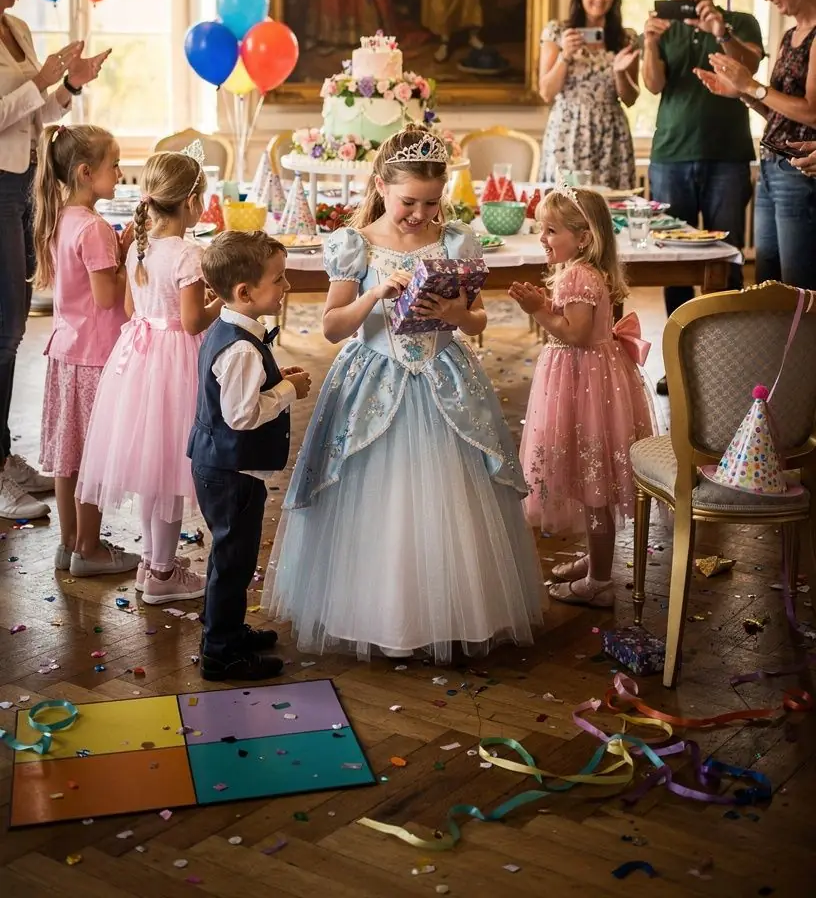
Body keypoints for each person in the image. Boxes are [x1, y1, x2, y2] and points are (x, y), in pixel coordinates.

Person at [263, 126, 544, 662]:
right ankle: (375, 614)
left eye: (431, 202)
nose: (419, 214)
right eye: (408, 202)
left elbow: (477, 317)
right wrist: (373, 294)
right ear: (381, 187)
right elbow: (331, 327)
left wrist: (456, 314)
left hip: (443, 377)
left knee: (447, 500)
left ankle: (450, 611)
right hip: (374, 378)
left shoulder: (456, 241)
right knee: (379, 498)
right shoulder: (357, 244)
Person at [77, 151, 222, 604]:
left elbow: (128, 310)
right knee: (171, 471)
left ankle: (151, 563)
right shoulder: (187, 254)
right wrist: (225, 304)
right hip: (175, 360)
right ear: (194, 202)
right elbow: (195, 322)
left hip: (139, 359)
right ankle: (162, 572)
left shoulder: (142, 245)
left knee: (151, 467)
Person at [0, 0, 110, 521]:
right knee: (3, 328)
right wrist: (42, 78)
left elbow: (34, 114)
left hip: (20, 179)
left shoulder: (15, 31)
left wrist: (69, 85)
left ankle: (4, 457)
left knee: (12, 328)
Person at [511, 187, 655, 609]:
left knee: (594, 481)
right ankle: (597, 559)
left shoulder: (577, 275)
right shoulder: (585, 271)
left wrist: (538, 308)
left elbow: (573, 332)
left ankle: (599, 581)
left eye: (551, 230)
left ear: (584, 237)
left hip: (583, 382)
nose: (542, 238)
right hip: (591, 378)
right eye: (541, 229)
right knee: (590, 475)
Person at [189, 231, 312, 683]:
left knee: (231, 559)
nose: (286, 287)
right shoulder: (240, 347)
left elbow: (239, 396)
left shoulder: (230, 331)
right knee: (233, 561)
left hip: (221, 467)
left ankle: (226, 630)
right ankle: (221, 653)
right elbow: (242, 416)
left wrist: (277, 380)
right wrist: (286, 390)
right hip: (230, 472)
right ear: (245, 292)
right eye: (279, 279)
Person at [33, 123, 139, 577]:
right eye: (113, 166)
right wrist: (130, 259)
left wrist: (120, 245)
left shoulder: (62, 217)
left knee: (69, 457)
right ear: (84, 172)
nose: (119, 173)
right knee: (93, 455)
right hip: (96, 358)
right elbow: (106, 296)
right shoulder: (94, 227)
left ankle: (70, 543)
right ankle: (91, 549)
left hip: (66, 352)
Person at [643, 0, 763, 327]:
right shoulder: (665, 28)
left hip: (727, 156)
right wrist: (648, 43)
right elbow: (653, 84)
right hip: (669, 157)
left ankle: (724, 360)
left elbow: (752, 66)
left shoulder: (741, 22)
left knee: (726, 260)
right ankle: (680, 356)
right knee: (673, 262)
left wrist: (720, 32)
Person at [697, 0, 816, 289]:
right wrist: (740, 93)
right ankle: (774, 348)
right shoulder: (790, 36)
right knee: (767, 281)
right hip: (771, 167)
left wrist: (752, 86)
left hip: (799, 173)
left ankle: (802, 347)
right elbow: (780, 114)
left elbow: (811, 114)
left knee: (796, 288)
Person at [539, 0, 639, 188]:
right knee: (565, 209)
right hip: (568, 130)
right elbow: (546, 92)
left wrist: (620, 72)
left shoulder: (626, 38)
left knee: (610, 211)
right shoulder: (557, 32)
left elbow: (631, 99)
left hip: (611, 134)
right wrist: (565, 55)